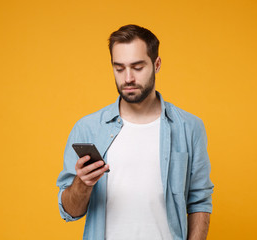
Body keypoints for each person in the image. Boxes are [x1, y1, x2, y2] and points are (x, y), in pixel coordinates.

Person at [56, 24, 214, 240]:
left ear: (156, 64)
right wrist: (82, 184)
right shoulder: (88, 128)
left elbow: (199, 200)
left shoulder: (189, 127)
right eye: (119, 68)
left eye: (137, 67)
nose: (128, 78)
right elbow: (70, 212)